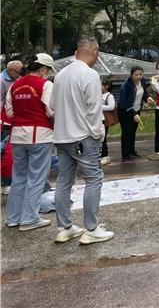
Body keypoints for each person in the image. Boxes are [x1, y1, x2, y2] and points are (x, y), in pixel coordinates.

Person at [52, 37, 113, 244]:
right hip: (83, 137)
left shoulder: (60, 75)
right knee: (94, 180)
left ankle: (65, 228)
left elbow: (52, 107)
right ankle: (92, 228)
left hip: (62, 136)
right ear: (95, 52)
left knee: (64, 181)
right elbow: (94, 110)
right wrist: (98, 135)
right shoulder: (90, 74)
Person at [4, 54, 55, 231]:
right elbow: (51, 111)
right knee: (36, 178)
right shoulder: (46, 85)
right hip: (40, 135)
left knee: (19, 178)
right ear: (44, 69)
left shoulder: (15, 85)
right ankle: (29, 218)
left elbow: (9, 113)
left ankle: (13, 217)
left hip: (17, 136)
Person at [117, 66, 154, 161]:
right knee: (126, 132)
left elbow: (144, 93)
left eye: (140, 74)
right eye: (136, 75)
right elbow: (125, 103)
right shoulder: (126, 85)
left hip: (136, 109)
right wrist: (133, 114)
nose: (139, 77)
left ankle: (132, 151)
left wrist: (147, 98)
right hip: (125, 111)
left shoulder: (143, 81)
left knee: (133, 131)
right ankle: (125, 155)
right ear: (131, 74)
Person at [1, 59, 24, 145]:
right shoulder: (1, 81)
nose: (20, 75)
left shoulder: (16, 79)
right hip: (4, 119)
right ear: (11, 71)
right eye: (19, 72)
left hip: (13, 119)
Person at [100, 78, 118, 166]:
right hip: (98, 119)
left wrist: (100, 106)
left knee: (103, 138)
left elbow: (111, 107)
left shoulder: (109, 96)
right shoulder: (99, 94)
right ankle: (100, 154)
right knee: (99, 137)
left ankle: (105, 155)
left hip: (104, 119)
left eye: (101, 85)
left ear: (106, 86)